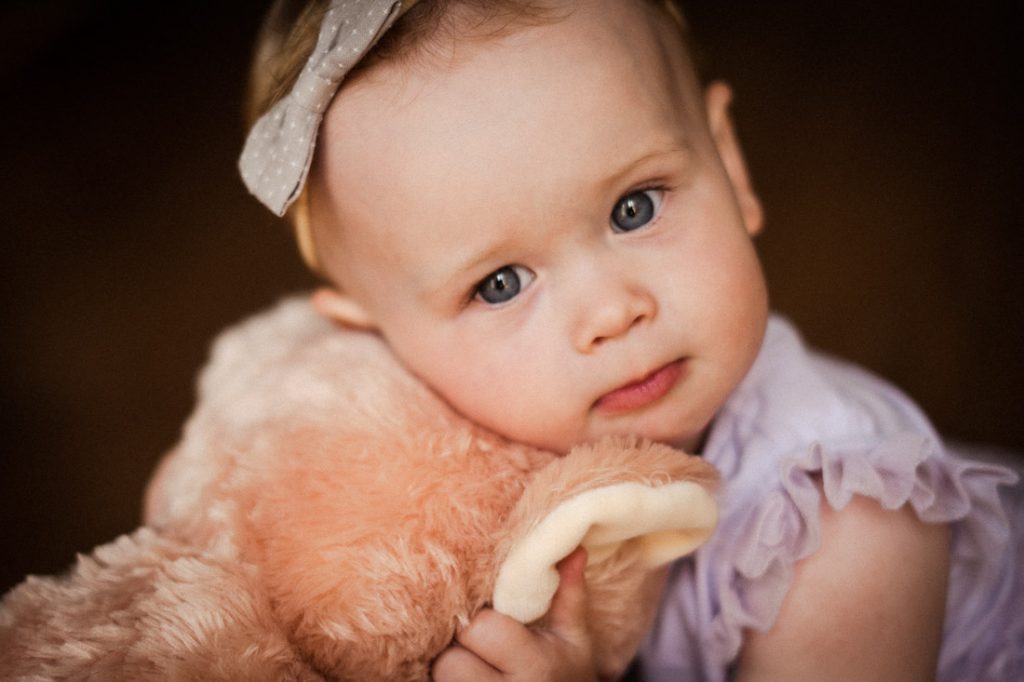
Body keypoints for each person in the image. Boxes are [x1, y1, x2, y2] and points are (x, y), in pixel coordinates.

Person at [238, 0, 1022, 679]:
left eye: (635, 208)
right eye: (500, 284)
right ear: (380, 342)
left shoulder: (847, 525)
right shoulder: (450, 484)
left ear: (732, 165)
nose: (613, 313)